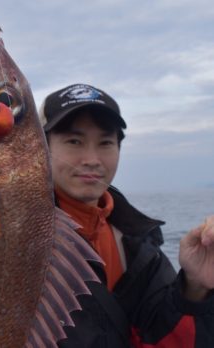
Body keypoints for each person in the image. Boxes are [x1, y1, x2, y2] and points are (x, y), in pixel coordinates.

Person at [39, 83, 214, 347]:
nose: (92, 158)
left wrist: (195, 288)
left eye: (106, 143)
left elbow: (159, 336)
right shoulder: (9, 234)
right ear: (42, 148)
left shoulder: (137, 242)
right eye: (74, 141)